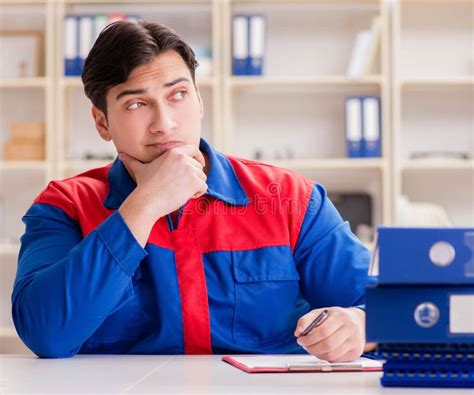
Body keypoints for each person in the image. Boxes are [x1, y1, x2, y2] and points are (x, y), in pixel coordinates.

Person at [12, 21, 376, 359]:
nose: (164, 124)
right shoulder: (65, 207)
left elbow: (390, 308)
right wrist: (145, 204)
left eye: (178, 95)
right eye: (137, 104)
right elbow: (47, 334)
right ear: (102, 122)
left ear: (199, 100)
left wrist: (359, 325)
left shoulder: (289, 199)